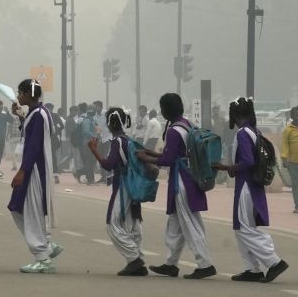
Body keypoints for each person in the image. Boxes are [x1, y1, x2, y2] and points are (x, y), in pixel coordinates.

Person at [137, 93, 215, 279]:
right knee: (175, 224)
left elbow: (169, 159)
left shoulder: (173, 130)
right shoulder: (186, 125)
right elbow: (175, 154)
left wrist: (147, 157)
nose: (162, 111)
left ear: (167, 109)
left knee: (189, 223)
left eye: (163, 108)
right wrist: (153, 154)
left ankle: (205, 264)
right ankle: (171, 263)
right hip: (188, 176)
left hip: (182, 181)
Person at [213, 97, 287, 283]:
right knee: (242, 227)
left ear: (235, 115)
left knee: (245, 228)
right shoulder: (254, 131)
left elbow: (248, 161)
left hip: (246, 186)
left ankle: (273, 261)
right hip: (251, 185)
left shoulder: (243, 134)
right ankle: (252, 269)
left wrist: (226, 167)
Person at [88, 108, 146, 276]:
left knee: (112, 224)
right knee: (131, 222)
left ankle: (134, 258)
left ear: (112, 123)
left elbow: (109, 164)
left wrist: (94, 150)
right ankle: (136, 259)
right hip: (131, 184)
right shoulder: (127, 139)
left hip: (123, 185)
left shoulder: (118, 142)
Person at [11, 79, 61, 274]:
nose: (18, 96)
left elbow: (34, 145)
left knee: (31, 212)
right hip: (31, 168)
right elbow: (29, 135)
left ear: (29, 94)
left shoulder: (39, 115)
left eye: (20, 93)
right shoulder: (36, 113)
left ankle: (42, 257)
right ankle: (46, 246)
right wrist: (20, 116)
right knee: (17, 208)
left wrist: (22, 171)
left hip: (34, 170)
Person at [281, 107, 298, 215]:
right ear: (292, 116)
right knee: (296, 184)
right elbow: (285, 145)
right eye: (296, 114)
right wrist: (284, 158)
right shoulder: (288, 130)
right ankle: (297, 205)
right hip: (293, 163)